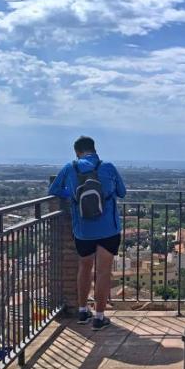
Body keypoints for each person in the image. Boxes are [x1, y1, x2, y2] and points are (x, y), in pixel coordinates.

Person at [49, 136, 127, 330]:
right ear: (94, 149)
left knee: (84, 269)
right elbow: (122, 192)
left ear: (77, 152)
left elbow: (54, 189)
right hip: (108, 229)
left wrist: (72, 194)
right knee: (103, 272)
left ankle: (83, 311)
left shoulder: (70, 168)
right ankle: (99, 318)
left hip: (83, 230)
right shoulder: (107, 166)